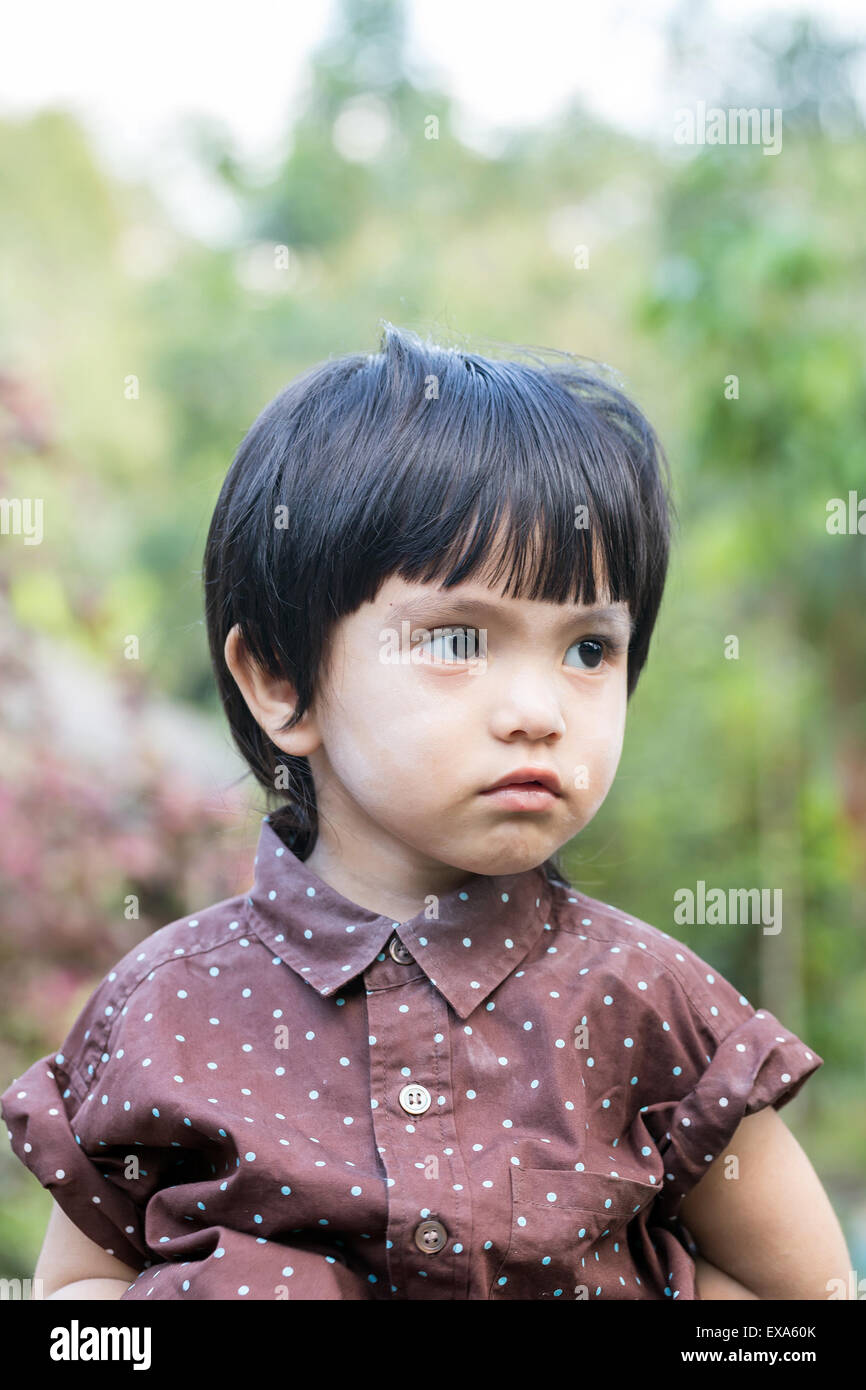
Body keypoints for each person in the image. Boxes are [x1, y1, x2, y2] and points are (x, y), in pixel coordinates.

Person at [1, 323, 850, 1300]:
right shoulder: (165, 1007)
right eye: (457, 639)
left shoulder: (649, 1008)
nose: (536, 712)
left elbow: (806, 1303)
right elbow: (77, 1305)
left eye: (586, 650)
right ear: (281, 680)